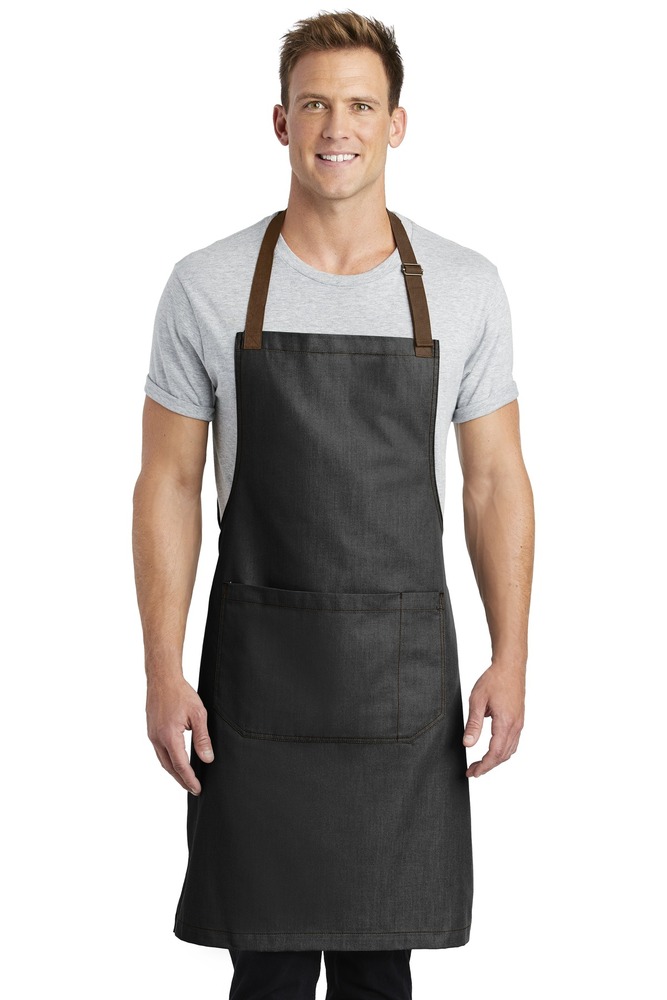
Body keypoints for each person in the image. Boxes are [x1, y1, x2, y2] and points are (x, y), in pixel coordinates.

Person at [132, 10, 534, 1000]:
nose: (335, 127)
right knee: (265, 970)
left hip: (400, 690)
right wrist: (161, 668)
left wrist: (511, 654)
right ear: (280, 122)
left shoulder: (465, 287)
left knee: (378, 966)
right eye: (314, 104)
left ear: (396, 123)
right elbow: (168, 483)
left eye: (359, 104)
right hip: (256, 689)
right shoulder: (207, 286)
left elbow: (494, 481)